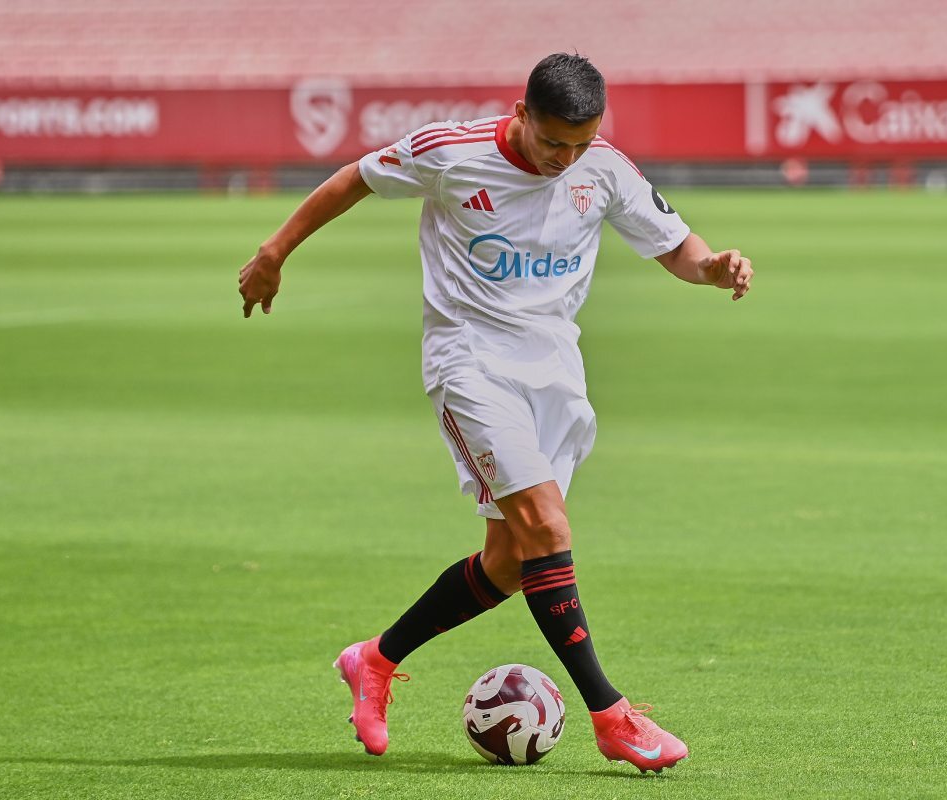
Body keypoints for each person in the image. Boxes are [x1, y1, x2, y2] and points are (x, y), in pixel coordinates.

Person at [237, 53, 753, 773]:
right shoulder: (452, 153)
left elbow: (674, 246)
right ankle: (613, 716)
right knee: (547, 527)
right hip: (470, 365)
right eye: (553, 144)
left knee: (511, 561)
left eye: (579, 144)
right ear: (521, 114)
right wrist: (274, 250)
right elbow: (355, 177)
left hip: (555, 375)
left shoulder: (602, 169)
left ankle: (375, 661)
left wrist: (714, 268)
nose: (565, 160)